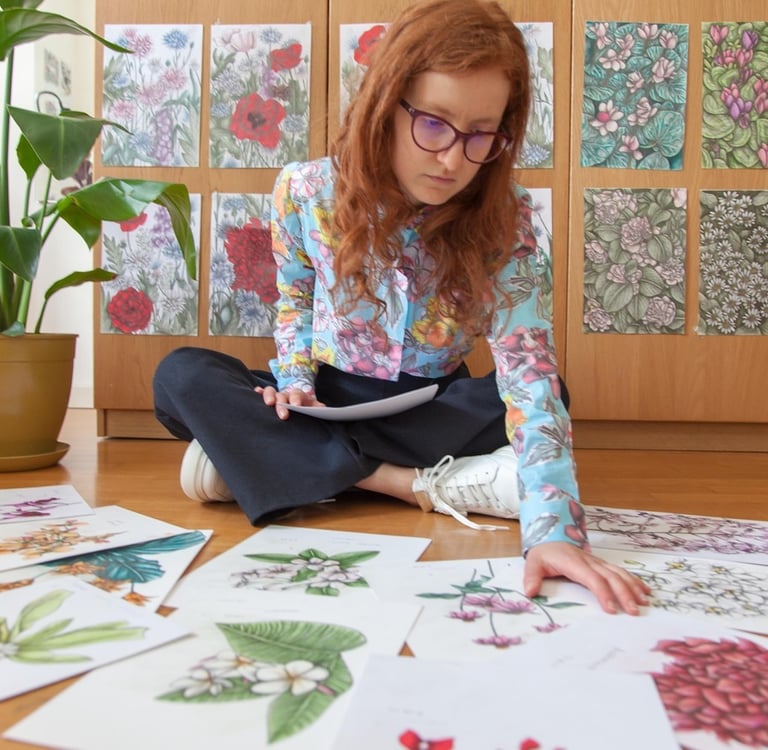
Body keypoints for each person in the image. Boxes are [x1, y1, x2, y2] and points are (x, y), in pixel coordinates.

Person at [153, 0, 649, 615]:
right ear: (386, 104)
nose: (453, 159)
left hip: (433, 409)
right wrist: (295, 382)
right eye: (434, 124)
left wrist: (555, 534)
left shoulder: (507, 216)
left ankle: (274, 461)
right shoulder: (304, 190)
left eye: (481, 134)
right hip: (327, 401)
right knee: (180, 377)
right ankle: (406, 484)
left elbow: (528, 368)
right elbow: (296, 301)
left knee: (544, 395)